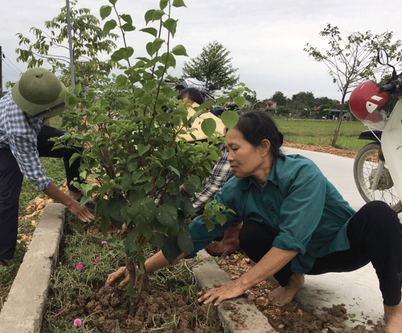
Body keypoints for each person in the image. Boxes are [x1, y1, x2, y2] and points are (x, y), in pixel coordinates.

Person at [107, 111, 402, 332]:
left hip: (340, 249)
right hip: (301, 259)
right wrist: (141, 269)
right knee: (251, 233)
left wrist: (239, 284)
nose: (229, 157)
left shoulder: (302, 174)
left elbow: (291, 240)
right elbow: (196, 234)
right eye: (227, 149)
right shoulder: (237, 189)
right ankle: (292, 280)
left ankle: (394, 311)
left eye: (235, 149)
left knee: (379, 214)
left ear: (263, 147)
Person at [0, 68, 94, 272]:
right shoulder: (18, 126)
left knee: (73, 143)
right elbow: (37, 177)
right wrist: (69, 205)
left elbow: (41, 122)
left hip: (32, 130)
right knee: (9, 195)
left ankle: (75, 191)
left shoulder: (35, 89)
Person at [177, 88, 241, 256]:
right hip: (212, 194)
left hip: (231, 197)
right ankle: (219, 228)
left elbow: (215, 186)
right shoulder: (197, 143)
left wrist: (184, 212)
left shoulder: (224, 145)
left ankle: (232, 236)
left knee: (229, 195)